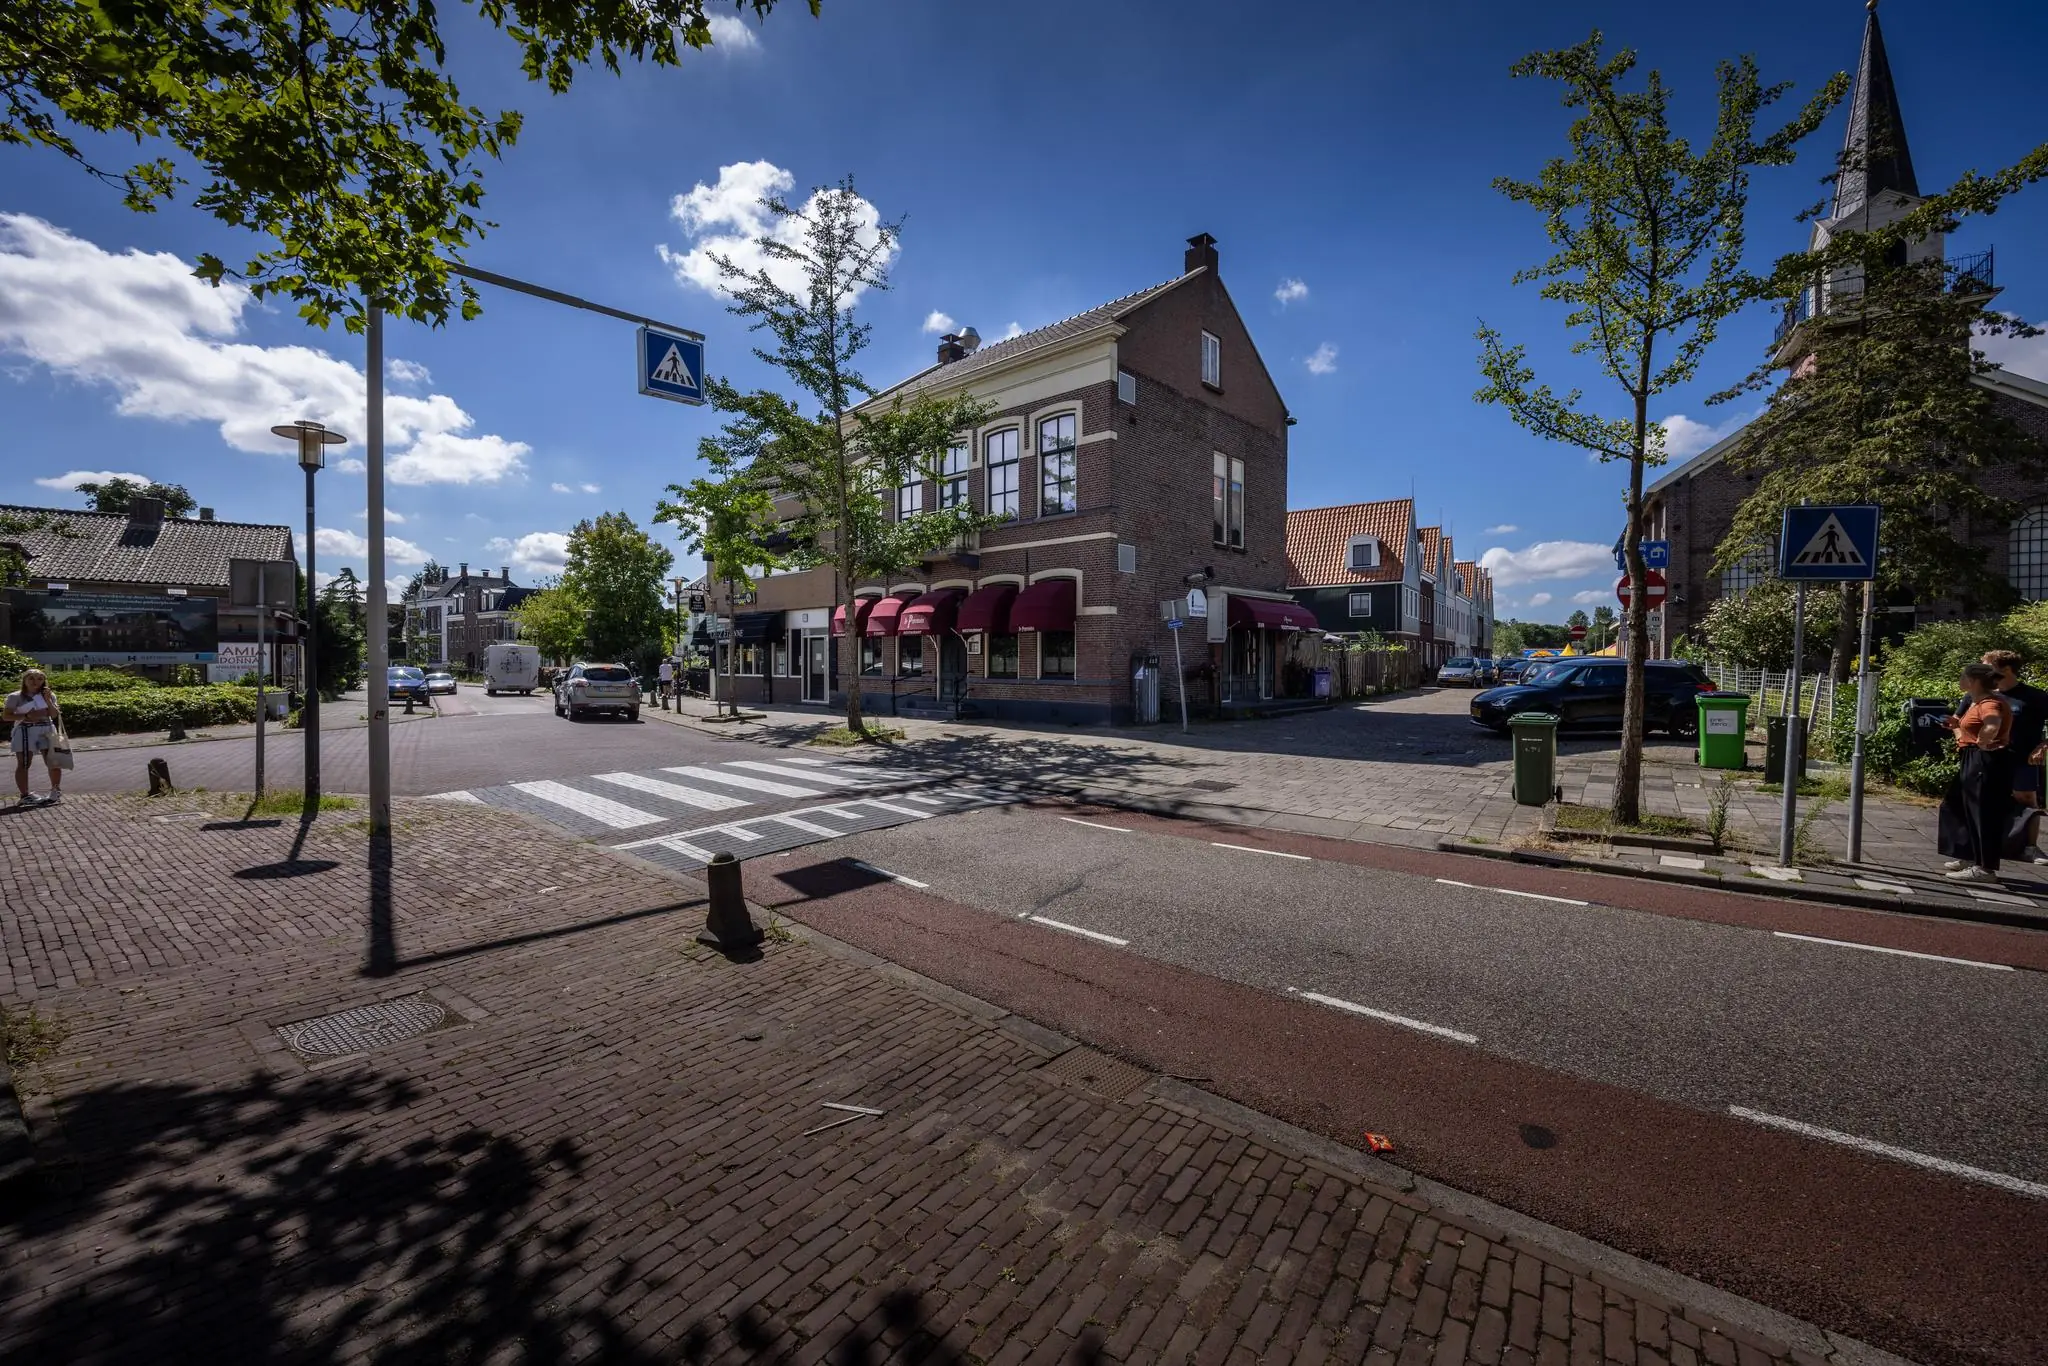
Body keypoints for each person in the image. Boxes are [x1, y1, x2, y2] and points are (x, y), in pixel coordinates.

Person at [1937, 663, 2015, 882]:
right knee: (1956, 805)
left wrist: (1985, 738)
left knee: (1983, 812)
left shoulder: (1990, 703)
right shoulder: (1976, 702)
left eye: (1962, 676)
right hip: (1972, 758)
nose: (1960, 680)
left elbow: (1992, 723)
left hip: (1985, 760)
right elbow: (1972, 728)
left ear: (1973, 681)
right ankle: (1968, 854)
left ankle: (1985, 868)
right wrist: (1956, 725)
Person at [1980, 650, 2048, 864]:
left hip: (2022, 757)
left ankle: (2031, 848)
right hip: (1990, 757)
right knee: (1984, 799)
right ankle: (1984, 846)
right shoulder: (1986, 695)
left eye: (1988, 666)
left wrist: (2043, 746)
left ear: (2006, 669)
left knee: (2027, 800)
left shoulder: (2034, 696)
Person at [5, 668, 64, 807]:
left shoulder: (49, 695)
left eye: (39, 679)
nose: (35, 681)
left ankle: (55, 791)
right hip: (25, 729)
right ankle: (25, 795)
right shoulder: (15, 696)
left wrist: (48, 700)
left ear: (44, 681)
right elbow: (6, 716)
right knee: (24, 763)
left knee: (53, 762)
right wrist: (26, 716)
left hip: (46, 728)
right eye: (31, 678)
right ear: (25, 680)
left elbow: (54, 714)